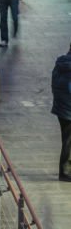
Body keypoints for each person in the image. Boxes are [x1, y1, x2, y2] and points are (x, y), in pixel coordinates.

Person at [51, 44, 71, 181]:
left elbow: (54, 85)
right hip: (68, 109)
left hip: (62, 108)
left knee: (67, 140)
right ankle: (65, 172)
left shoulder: (61, 63)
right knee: (69, 141)